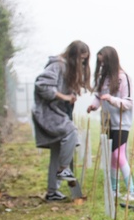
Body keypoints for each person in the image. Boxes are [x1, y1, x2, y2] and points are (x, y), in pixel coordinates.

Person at [32, 41, 91, 201]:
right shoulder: (57, 65)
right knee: (71, 131)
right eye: (81, 59)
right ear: (73, 56)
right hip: (47, 112)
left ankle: (52, 192)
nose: (82, 63)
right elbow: (42, 85)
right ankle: (63, 169)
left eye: (85, 60)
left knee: (57, 150)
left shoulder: (67, 69)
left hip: (57, 112)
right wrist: (64, 97)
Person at [86, 46, 134, 203]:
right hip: (107, 123)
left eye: (104, 62)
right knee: (112, 157)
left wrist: (111, 99)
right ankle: (113, 190)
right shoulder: (102, 79)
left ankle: (131, 190)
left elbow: (128, 103)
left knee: (118, 155)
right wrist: (94, 105)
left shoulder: (124, 77)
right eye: (100, 63)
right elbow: (98, 97)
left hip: (121, 123)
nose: (102, 66)